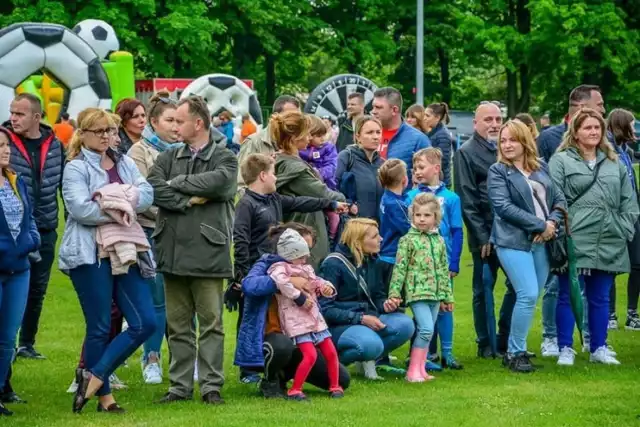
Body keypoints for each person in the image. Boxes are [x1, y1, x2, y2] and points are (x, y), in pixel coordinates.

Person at [60, 108, 156, 414]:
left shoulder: (124, 161)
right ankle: (106, 400)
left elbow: (147, 192)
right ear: (84, 134)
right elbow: (80, 209)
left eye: (111, 131)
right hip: (90, 254)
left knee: (145, 322)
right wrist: (121, 208)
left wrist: (115, 198)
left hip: (127, 249)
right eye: (100, 131)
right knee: (100, 326)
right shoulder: (75, 168)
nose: (107, 136)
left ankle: (94, 375)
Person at [147, 95, 236, 404]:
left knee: (211, 324)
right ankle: (179, 387)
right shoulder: (167, 157)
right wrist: (187, 199)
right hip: (171, 251)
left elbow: (223, 184)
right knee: (178, 326)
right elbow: (154, 189)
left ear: (198, 124)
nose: (175, 127)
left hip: (208, 254)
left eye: (180, 121)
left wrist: (179, 182)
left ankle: (211, 386)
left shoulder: (226, 157)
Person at [231, 153, 347, 383]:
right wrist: (242, 275)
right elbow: (240, 239)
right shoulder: (246, 203)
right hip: (256, 272)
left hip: (277, 267)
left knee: (277, 317)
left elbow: (299, 202)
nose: (276, 177)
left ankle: (284, 361)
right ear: (263, 175)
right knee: (250, 318)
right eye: (274, 173)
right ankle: (248, 369)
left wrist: (330, 204)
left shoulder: (274, 199)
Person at [549, 108, 638, 366]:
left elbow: (628, 201)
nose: (593, 132)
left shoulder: (615, 162)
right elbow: (556, 197)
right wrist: (567, 229)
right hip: (575, 237)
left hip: (609, 237)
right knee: (568, 294)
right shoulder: (561, 160)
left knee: (601, 296)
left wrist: (622, 228)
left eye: (597, 128)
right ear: (575, 132)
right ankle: (565, 347)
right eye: (587, 127)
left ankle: (598, 346)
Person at [235, 223, 351, 398]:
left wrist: (322, 288)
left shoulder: (303, 266)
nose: (305, 257)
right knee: (282, 346)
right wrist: (286, 283)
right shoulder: (268, 263)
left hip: (303, 330)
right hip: (275, 333)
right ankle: (271, 379)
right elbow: (249, 285)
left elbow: (316, 282)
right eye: (302, 249)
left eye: (308, 250)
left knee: (342, 379)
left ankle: (289, 375)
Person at [487, 120, 566, 373]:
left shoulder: (541, 167)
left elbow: (560, 198)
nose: (507, 145)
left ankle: (515, 347)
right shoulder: (498, 171)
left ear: (525, 141)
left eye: (512, 139)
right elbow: (503, 207)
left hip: (543, 241)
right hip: (511, 240)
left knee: (532, 296)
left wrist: (551, 223)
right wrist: (539, 225)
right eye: (503, 140)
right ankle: (514, 352)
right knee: (528, 293)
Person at [537, 85, 605, 357]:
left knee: (592, 287)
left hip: (595, 231)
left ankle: (590, 338)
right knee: (557, 285)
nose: (602, 110)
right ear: (579, 107)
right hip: (561, 227)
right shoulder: (549, 138)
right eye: (598, 104)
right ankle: (552, 337)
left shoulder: (603, 139)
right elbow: (544, 183)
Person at [4, 93, 64, 361]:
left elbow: (62, 183)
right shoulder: (5, 142)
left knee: (38, 287)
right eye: (12, 113)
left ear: (37, 117)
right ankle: (7, 340)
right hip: (11, 231)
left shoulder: (55, 144)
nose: (14, 118)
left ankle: (26, 342)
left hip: (46, 226)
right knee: (11, 285)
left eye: (20, 114)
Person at [454, 101, 516, 357]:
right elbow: (467, 199)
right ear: (475, 123)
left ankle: (504, 336)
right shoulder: (466, 152)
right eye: (488, 119)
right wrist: (481, 237)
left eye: (497, 119)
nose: (494, 124)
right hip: (485, 235)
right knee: (482, 289)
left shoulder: (508, 148)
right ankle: (485, 343)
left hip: (512, 232)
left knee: (517, 286)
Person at [319, 218, 415, 379]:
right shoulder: (333, 265)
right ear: (358, 241)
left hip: (366, 318)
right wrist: (360, 318)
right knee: (371, 344)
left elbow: (377, 297)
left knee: (405, 325)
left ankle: (365, 356)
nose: (381, 239)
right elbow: (325, 309)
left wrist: (386, 305)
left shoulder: (372, 260)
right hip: (338, 326)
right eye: (375, 236)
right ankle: (330, 364)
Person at [127, 91, 180, 385]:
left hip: (182, 234)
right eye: (170, 120)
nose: (175, 126)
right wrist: (180, 201)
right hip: (151, 233)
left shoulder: (185, 150)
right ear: (154, 122)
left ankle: (185, 358)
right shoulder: (139, 152)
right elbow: (145, 197)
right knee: (157, 300)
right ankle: (151, 358)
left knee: (184, 299)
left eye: (179, 120)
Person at [268, 229, 343, 400]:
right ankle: (295, 389)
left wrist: (326, 287)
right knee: (310, 355)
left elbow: (315, 281)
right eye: (301, 256)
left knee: (331, 352)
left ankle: (335, 386)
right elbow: (282, 284)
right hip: (297, 321)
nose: (304, 260)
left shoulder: (306, 268)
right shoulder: (279, 269)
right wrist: (299, 297)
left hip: (315, 318)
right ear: (289, 254)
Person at [407, 148, 464, 369]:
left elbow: (458, 231)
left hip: (442, 263)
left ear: (436, 168)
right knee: (422, 307)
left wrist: (454, 261)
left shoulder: (451, 198)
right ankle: (424, 353)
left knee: (444, 307)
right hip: (419, 265)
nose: (417, 172)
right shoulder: (411, 196)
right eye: (415, 168)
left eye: (421, 167)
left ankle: (447, 353)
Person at [387, 193, 454, 382]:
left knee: (429, 330)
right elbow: (399, 269)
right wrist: (394, 293)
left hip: (434, 294)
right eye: (418, 215)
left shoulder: (439, 241)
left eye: (427, 215)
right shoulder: (407, 241)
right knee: (425, 330)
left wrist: (447, 297)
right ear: (412, 216)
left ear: (435, 217)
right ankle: (412, 371)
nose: (422, 219)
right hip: (416, 293)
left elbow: (443, 269)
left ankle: (421, 369)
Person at [0, 126, 40, 416]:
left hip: (20, 269)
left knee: (7, 338)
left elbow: (31, 215)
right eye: (0, 146)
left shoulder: (16, 179)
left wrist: (32, 240)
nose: (6, 150)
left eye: (7, 145)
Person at [274, 111, 346, 269]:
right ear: (294, 138)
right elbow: (323, 193)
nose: (309, 138)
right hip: (304, 231)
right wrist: (346, 200)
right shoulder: (294, 167)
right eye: (307, 134)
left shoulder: (284, 161)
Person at [606, 108, 640, 331]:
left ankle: (631, 313)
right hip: (614, 216)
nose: (635, 129)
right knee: (610, 265)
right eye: (632, 124)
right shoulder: (607, 151)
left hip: (633, 215)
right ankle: (609, 315)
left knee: (637, 263)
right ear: (622, 125)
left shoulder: (625, 151)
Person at [236, 95, 301, 194]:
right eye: (290, 116)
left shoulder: (298, 142)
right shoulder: (254, 142)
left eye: (298, 117)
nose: (296, 120)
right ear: (276, 116)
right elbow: (241, 184)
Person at [371, 87, 430, 183]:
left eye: (378, 107)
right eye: (373, 107)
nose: (373, 111)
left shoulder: (418, 140)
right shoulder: (366, 134)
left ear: (394, 110)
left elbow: (429, 180)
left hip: (402, 197)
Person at [537, 85, 605, 163]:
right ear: (583, 107)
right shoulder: (547, 138)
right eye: (599, 105)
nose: (603, 110)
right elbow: (539, 172)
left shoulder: (607, 136)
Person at [336, 115, 384, 221]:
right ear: (357, 136)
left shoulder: (382, 163)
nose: (375, 136)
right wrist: (349, 204)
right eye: (369, 132)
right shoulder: (346, 157)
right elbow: (333, 186)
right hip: (354, 225)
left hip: (378, 228)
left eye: (378, 132)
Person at [423, 103, 453, 187]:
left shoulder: (443, 135)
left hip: (440, 182)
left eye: (427, 116)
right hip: (433, 179)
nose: (424, 118)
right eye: (424, 115)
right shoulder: (433, 132)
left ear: (437, 118)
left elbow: (443, 160)